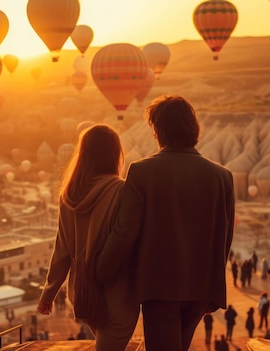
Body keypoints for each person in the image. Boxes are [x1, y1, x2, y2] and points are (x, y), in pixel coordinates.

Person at [97, 95, 235, 351]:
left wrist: (102, 270)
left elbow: (125, 232)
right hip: (200, 286)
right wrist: (213, 288)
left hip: (158, 288)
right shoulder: (222, 176)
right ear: (193, 127)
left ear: (158, 130)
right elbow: (224, 237)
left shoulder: (142, 171)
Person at [37, 125, 139, 351]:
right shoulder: (123, 192)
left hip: (84, 293)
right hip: (118, 293)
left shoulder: (68, 195)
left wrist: (49, 292)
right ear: (115, 154)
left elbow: (62, 250)